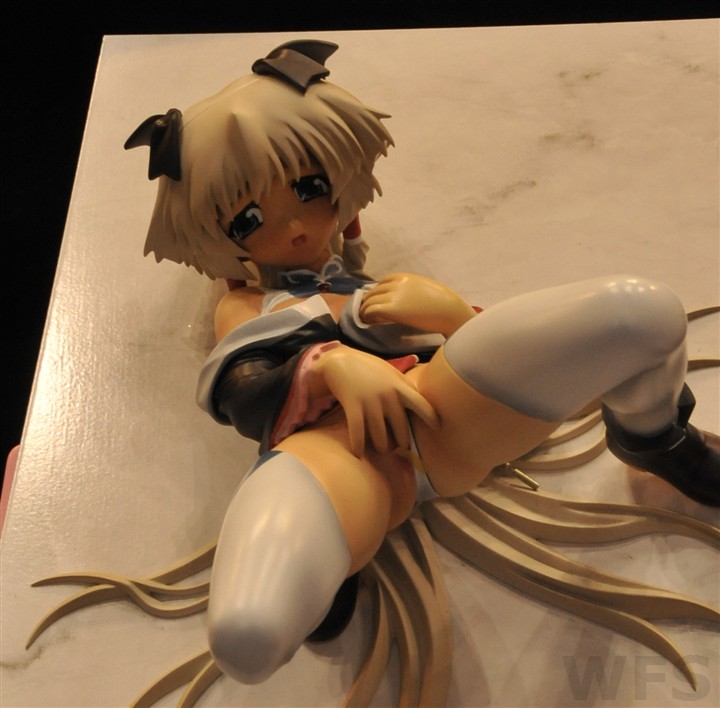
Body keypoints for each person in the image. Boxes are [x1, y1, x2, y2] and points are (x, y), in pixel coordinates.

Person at [126, 40, 720, 685]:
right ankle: (334, 557)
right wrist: (327, 367)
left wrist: (455, 316)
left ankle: (654, 438)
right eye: (250, 218)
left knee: (641, 312)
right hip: (339, 451)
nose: (294, 225)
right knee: (250, 630)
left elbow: (484, 353)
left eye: (309, 188)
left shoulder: (369, 282)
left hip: (443, 410)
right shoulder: (246, 304)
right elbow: (241, 392)